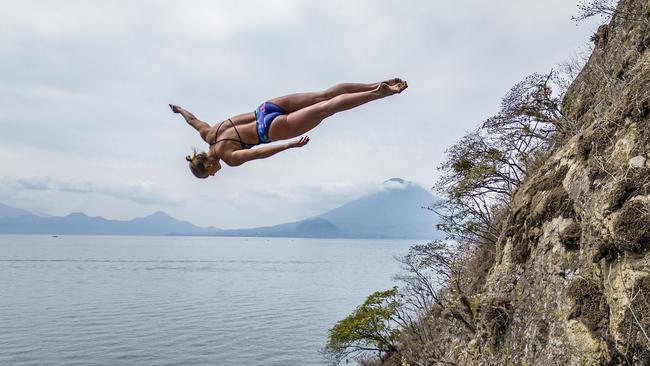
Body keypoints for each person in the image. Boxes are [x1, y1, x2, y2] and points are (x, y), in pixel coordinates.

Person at [170, 78, 408, 179]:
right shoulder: (209, 133)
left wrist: (288, 145)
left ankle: (378, 93)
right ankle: (378, 84)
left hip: (271, 129)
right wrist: (180, 110)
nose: (213, 175)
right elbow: (192, 120)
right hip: (264, 109)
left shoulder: (227, 156)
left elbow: (257, 152)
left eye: (208, 174)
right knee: (324, 95)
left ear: (208, 164)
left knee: (326, 108)